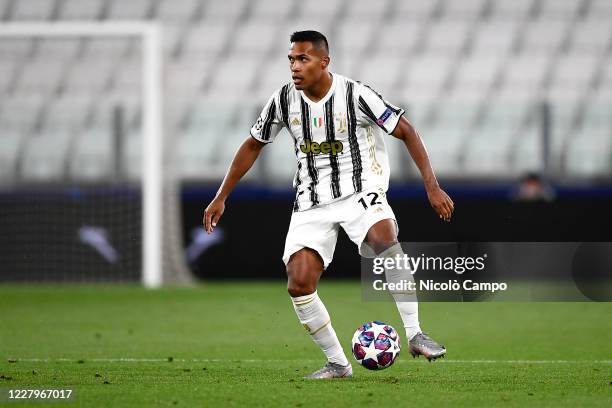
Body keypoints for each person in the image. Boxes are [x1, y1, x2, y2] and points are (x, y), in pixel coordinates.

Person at [204, 30, 454, 379]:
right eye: (291, 59)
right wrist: (221, 195)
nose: (294, 66)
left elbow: (407, 131)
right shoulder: (283, 100)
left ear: (324, 62)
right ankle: (338, 363)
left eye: (303, 59)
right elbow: (253, 144)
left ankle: (415, 334)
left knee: (383, 239)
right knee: (299, 282)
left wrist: (432, 186)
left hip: (360, 190)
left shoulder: (356, 94)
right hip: (311, 200)